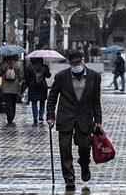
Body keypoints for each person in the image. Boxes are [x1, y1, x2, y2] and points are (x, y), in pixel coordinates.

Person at [47, 50, 102, 192]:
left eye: (78, 62)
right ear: (69, 63)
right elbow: (52, 96)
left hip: (85, 118)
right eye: (73, 63)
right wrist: (50, 116)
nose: (76, 65)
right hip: (65, 117)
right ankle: (69, 178)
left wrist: (98, 120)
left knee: (84, 147)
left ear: (82, 61)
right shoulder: (61, 77)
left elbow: (96, 100)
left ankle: (84, 164)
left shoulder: (94, 77)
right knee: (65, 149)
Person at [0, 55, 24, 125]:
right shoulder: (17, 64)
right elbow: (21, 76)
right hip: (15, 87)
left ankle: (9, 117)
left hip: (5, 87)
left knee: (7, 103)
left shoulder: (3, 64)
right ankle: (11, 117)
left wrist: (3, 69)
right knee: (13, 103)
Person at [24, 57, 51, 126]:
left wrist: (28, 84)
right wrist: (47, 70)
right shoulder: (44, 67)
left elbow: (27, 78)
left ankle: (35, 118)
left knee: (34, 103)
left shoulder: (30, 67)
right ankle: (41, 117)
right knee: (42, 102)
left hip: (33, 86)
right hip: (43, 86)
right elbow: (48, 76)